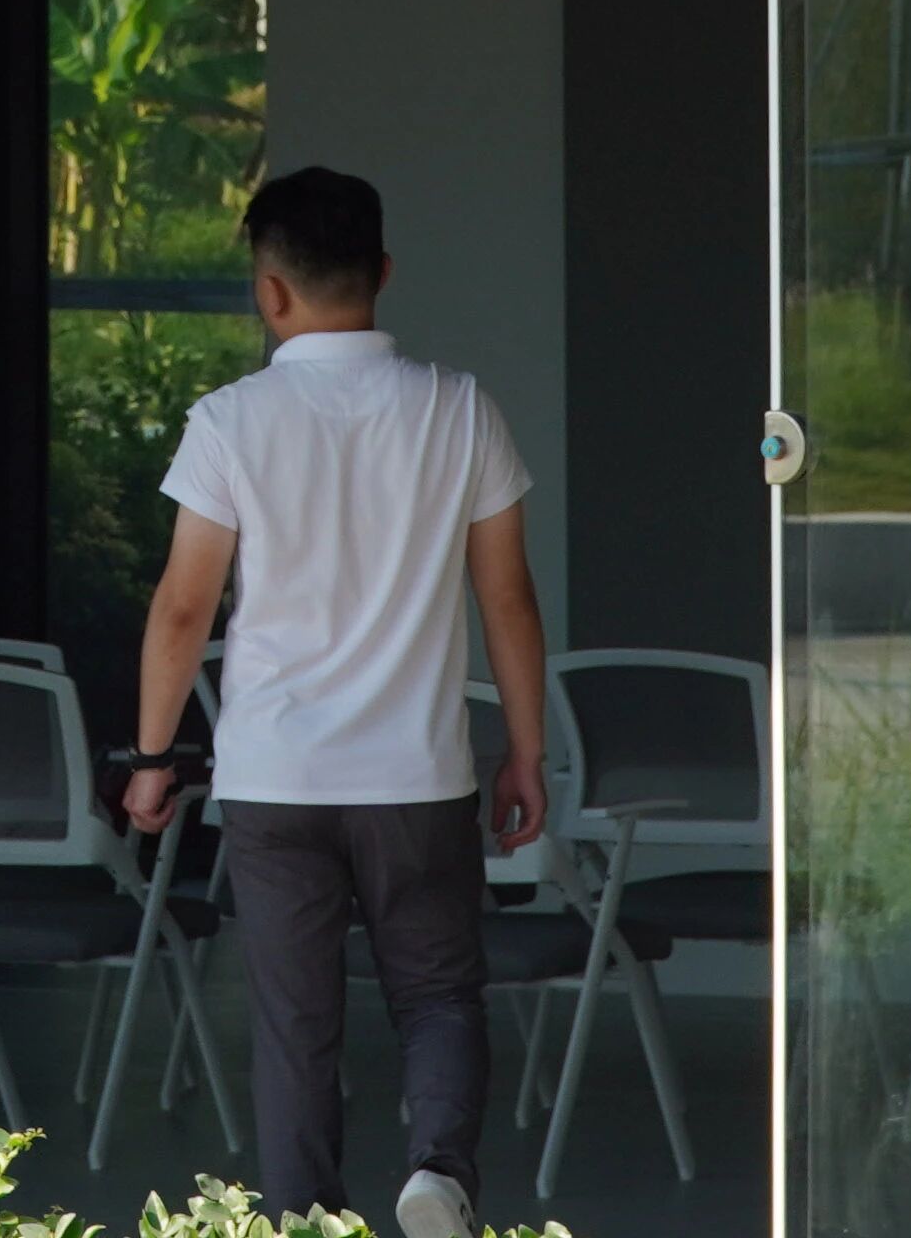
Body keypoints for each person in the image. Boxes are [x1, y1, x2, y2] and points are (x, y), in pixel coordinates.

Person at [119, 165, 546, 1238]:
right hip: (418, 777)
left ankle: (305, 1221)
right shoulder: (459, 408)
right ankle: (438, 1175)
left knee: (293, 1026)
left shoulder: (230, 421)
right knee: (438, 995)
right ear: (383, 272)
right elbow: (508, 597)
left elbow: (183, 607)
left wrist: (152, 757)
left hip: (276, 778)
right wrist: (526, 752)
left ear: (269, 291)